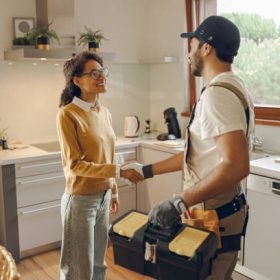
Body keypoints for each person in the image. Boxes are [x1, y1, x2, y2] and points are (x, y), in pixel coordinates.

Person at [126, 16, 255, 280]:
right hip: (219, 211)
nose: (188, 52)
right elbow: (197, 155)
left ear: (207, 48)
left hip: (215, 214)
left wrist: (179, 202)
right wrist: (147, 170)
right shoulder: (233, 85)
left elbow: (237, 165)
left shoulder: (216, 96)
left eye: (192, 43)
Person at [57, 51, 143, 280]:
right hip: (80, 201)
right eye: (93, 73)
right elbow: (75, 165)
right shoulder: (68, 115)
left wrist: (113, 190)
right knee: (78, 269)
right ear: (77, 80)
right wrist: (118, 172)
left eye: (102, 72)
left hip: (103, 197)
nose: (101, 77)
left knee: (98, 265)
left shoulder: (103, 112)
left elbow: (109, 154)